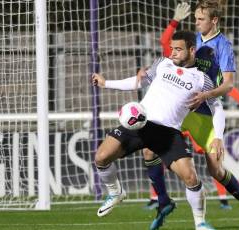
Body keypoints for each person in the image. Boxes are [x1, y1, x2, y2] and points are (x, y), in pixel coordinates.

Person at [141, 1, 239, 230]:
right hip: (182, 110)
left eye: (200, 18)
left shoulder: (223, 46)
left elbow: (227, 85)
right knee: (148, 147)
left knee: (215, 169)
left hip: (205, 114)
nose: (196, 22)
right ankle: (163, 201)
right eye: (195, 18)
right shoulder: (191, 41)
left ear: (213, 20)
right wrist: (174, 21)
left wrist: (208, 95)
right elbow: (167, 48)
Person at [92, 31, 219, 230]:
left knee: (191, 177)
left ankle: (200, 223)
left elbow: (217, 108)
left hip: (168, 133)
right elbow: (138, 81)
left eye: (178, 49)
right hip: (140, 122)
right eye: (172, 49)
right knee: (101, 157)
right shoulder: (162, 63)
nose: (173, 53)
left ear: (191, 50)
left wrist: (218, 137)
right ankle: (116, 193)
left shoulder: (203, 80)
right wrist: (106, 83)